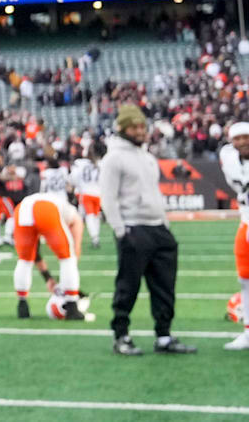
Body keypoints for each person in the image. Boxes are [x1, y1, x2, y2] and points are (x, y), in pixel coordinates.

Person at [101, 104, 195, 355]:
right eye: (134, 126)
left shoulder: (147, 157)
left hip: (157, 228)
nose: (140, 130)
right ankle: (121, 335)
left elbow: (153, 193)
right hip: (133, 227)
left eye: (142, 125)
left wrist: (164, 223)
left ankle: (163, 336)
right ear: (122, 128)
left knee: (165, 286)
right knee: (127, 286)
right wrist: (121, 231)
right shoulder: (113, 158)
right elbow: (107, 199)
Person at [11, 191, 84, 320]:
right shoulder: (70, 212)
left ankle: (22, 305)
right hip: (45, 209)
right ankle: (72, 305)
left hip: (22, 208)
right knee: (68, 258)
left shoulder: (55, 202)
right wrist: (68, 281)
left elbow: (35, 252)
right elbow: (74, 247)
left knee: (24, 260)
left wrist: (48, 278)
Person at [219, 122, 249, 350]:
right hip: (246, 220)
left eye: (246, 137)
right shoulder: (229, 159)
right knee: (245, 279)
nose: (242, 142)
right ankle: (248, 332)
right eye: (237, 138)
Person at [70, 146, 103, 249]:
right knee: (96, 215)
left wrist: (79, 187)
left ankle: (94, 237)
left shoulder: (80, 164)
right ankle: (96, 236)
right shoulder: (99, 164)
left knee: (89, 216)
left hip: (86, 192)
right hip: (98, 193)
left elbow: (74, 178)